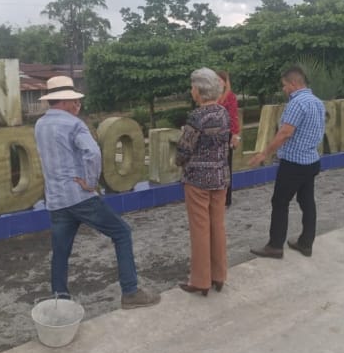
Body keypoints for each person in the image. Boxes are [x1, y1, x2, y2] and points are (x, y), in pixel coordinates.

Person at [34, 76, 160, 309]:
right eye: (74, 100)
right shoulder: (74, 124)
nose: (77, 104)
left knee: (60, 251)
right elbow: (92, 153)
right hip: (79, 197)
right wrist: (90, 183)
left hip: (56, 199)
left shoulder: (40, 125)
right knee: (122, 232)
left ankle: (60, 301)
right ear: (65, 101)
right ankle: (130, 292)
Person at [247, 66, 326, 258]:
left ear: (294, 83)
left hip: (294, 163)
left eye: (284, 85)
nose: (283, 89)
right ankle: (306, 243)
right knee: (307, 201)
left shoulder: (297, 103)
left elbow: (285, 133)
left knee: (280, 202)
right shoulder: (317, 102)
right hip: (311, 160)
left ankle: (275, 245)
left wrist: (265, 153)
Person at [175, 68, 231, 296]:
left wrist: (179, 161)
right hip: (220, 177)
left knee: (200, 229)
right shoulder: (223, 113)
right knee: (217, 226)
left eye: (192, 87)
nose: (191, 91)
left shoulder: (197, 117)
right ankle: (219, 276)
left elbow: (184, 149)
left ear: (199, 90)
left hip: (197, 180)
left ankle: (200, 281)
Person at [216, 69, 241, 207]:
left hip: (227, 135)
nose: (217, 83)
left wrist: (235, 134)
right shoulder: (212, 96)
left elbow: (233, 116)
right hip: (214, 136)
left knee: (226, 166)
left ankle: (226, 199)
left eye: (220, 80)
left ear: (225, 82)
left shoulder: (230, 97)